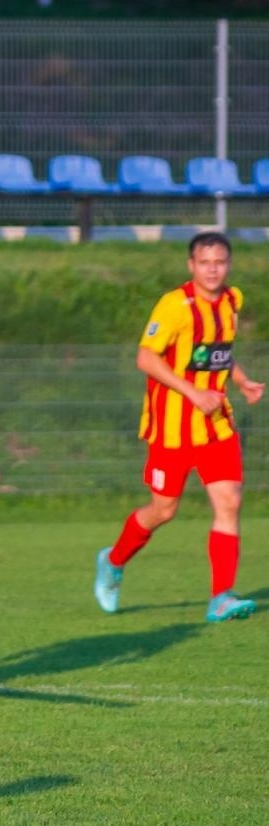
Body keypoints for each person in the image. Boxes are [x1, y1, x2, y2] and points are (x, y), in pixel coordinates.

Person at [94, 232, 263, 622]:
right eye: (205, 263)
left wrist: (240, 380)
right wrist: (192, 393)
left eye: (219, 262)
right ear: (191, 265)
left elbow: (216, 352)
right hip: (171, 431)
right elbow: (145, 358)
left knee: (229, 502)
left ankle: (221, 597)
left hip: (216, 426)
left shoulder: (232, 300)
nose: (212, 270)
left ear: (228, 264)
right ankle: (114, 561)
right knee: (163, 510)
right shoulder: (174, 306)